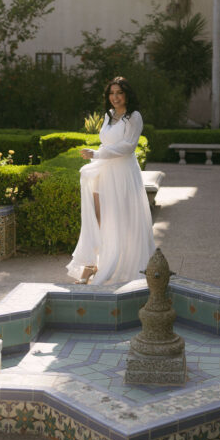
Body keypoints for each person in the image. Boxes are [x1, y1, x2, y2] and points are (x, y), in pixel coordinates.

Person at [66, 76, 156, 285]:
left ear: (127, 95)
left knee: (121, 218)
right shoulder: (108, 115)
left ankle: (122, 263)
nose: (115, 97)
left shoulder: (134, 117)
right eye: (112, 93)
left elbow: (128, 146)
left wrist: (96, 154)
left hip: (123, 172)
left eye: (119, 93)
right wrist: (97, 155)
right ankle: (93, 264)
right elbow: (107, 141)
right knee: (98, 218)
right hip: (104, 171)